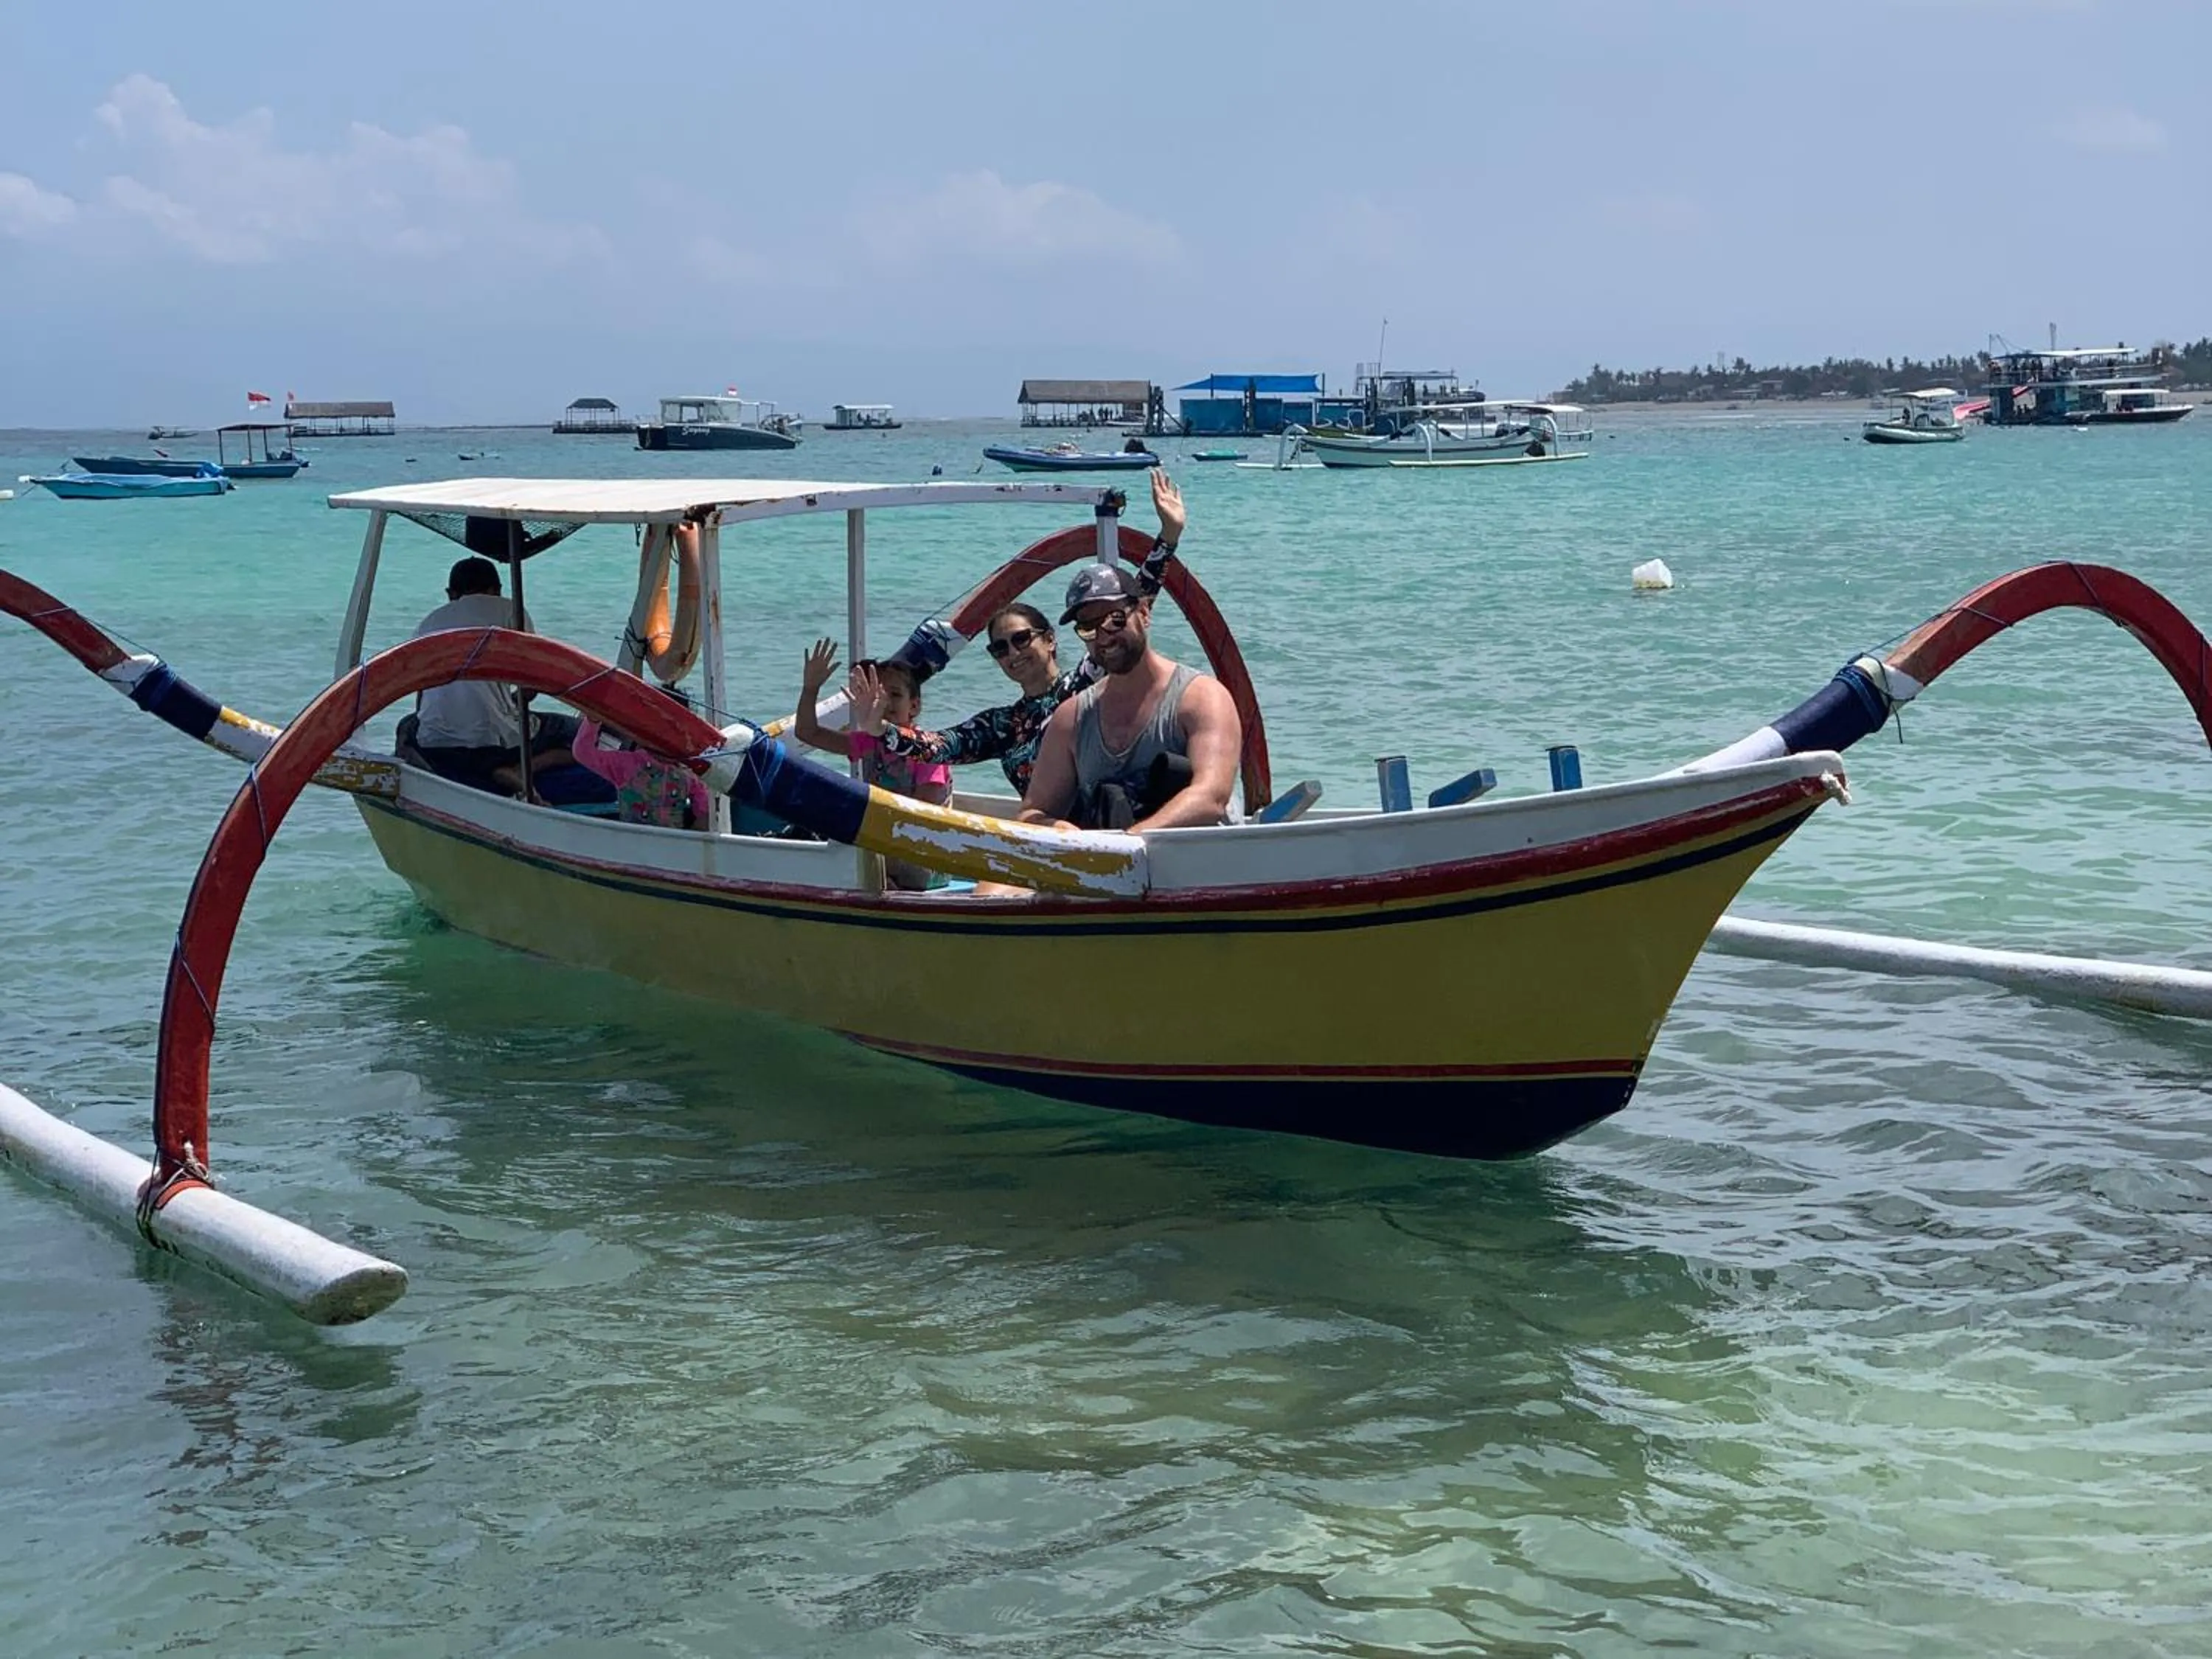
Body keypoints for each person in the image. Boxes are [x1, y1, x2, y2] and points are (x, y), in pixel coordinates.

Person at [871, 468, 1186, 796]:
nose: (1013, 653)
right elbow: (938, 746)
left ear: (1050, 639)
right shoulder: (1004, 726)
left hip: (1107, 826)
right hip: (1046, 833)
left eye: (1021, 639)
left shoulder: (1085, 683)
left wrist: (1169, 536)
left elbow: (1131, 607)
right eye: (1000, 648)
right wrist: (879, 729)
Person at [1018, 561, 1243, 832]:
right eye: (1088, 628)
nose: (1103, 638)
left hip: (1200, 866)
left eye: (1114, 620)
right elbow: (1032, 814)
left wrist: (1131, 841)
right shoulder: (1072, 719)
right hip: (1109, 866)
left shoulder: (1201, 698)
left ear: (1144, 613)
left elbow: (1211, 798)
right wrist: (1057, 828)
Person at [409, 554, 577, 797]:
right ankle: (519, 770)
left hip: (435, 744)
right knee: (578, 734)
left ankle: (419, 767)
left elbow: (421, 695)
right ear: (496, 589)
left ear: (451, 593)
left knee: (408, 725)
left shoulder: (428, 623)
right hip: (492, 743)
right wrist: (507, 700)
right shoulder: (511, 610)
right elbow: (530, 689)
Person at [793, 641, 953, 890]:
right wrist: (811, 688)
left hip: (926, 857)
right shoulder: (870, 743)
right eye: (879, 695)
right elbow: (807, 733)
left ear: (915, 706)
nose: (885, 703)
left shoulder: (927, 750)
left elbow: (924, 814)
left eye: (896, 695)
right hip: (885, 844)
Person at [571, 684, 712, 830]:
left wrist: (701, 822)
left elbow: (705, 808)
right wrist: (593, 720)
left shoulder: (689, 773)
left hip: (666, 843)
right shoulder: (630, 764)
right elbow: (583, 753)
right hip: (637, 842)